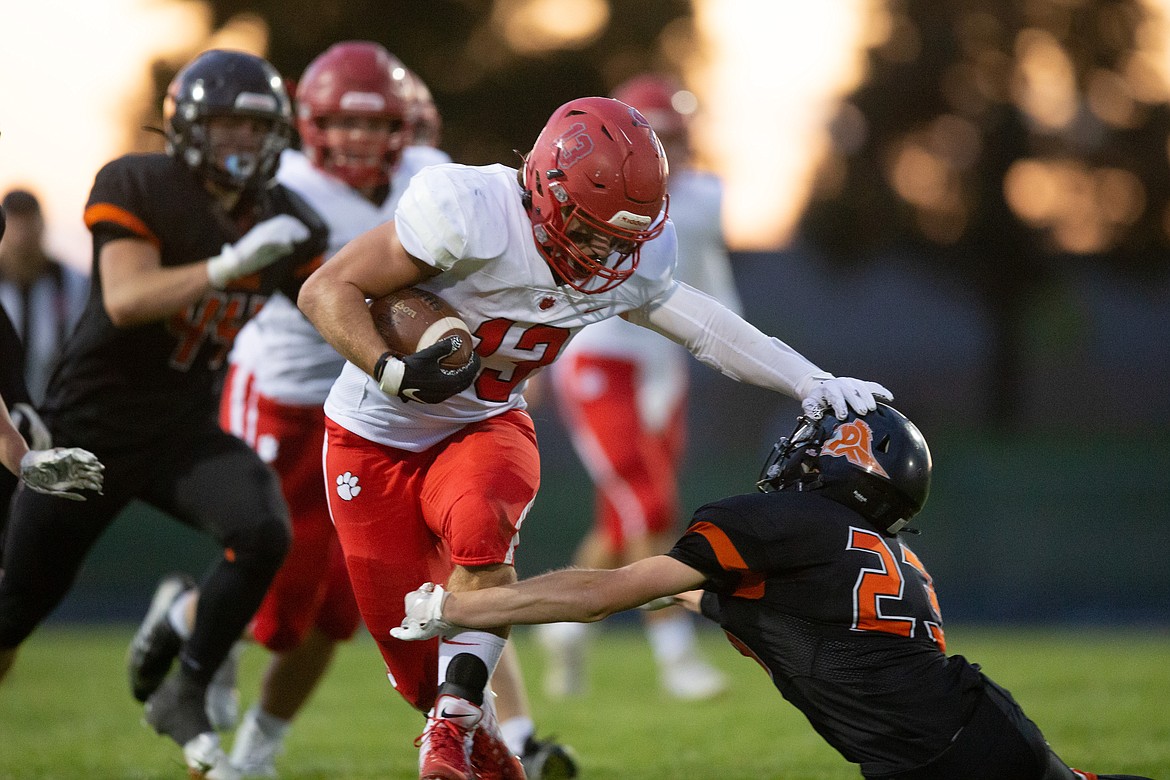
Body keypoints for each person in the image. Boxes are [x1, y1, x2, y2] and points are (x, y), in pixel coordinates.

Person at [296, 94, 890, 780]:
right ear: (547, 190)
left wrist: (810, 380)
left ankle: (454, 726)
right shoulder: (470, 210)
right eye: (592, 229)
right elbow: (326, 288)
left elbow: (706, 327)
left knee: (483, 531)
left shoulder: (632, 253)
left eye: (623, 237)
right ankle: (477, 732)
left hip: (485, 423)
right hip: (371, 435)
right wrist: (389, 367)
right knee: (409, 651)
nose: (608, 251)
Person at [390, 404, 1153, 780]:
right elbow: (740, 610)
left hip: (941, 755)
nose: (802, 449)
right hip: (963, 737)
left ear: (849, 464)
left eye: (822, 443)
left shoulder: (782, 524)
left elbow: (610, 592)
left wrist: (459, 606)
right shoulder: (847, 552)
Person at [0, 49, 327, 780]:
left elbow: (330, 302)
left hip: (182, 428)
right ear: (187, 129)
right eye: (226, 124)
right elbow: (125, 298)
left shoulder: (284, 217)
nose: (242, 140)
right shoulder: (139, 183)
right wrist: (225, 265)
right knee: (12, 614)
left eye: (256, 125)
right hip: (88, 431)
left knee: (263, 530)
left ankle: (188, 686)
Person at [539, 73, 738, 701]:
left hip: (662, 365)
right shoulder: (589, 187)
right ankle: (675, 653)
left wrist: (737, 351)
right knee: (650, 506)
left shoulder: (703, 196)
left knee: (625, 519)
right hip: (599, 357)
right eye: (662, 139)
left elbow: (712, 283)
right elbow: (551, 270)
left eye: (677, 139)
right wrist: (538, 356)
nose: (672, 154)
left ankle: (563, 632)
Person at [0, 188, 89, 405]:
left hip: (54, 411)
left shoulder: (71, 281)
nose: (22, 237)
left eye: (28, 225)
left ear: (41, 225)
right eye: (15, 226)